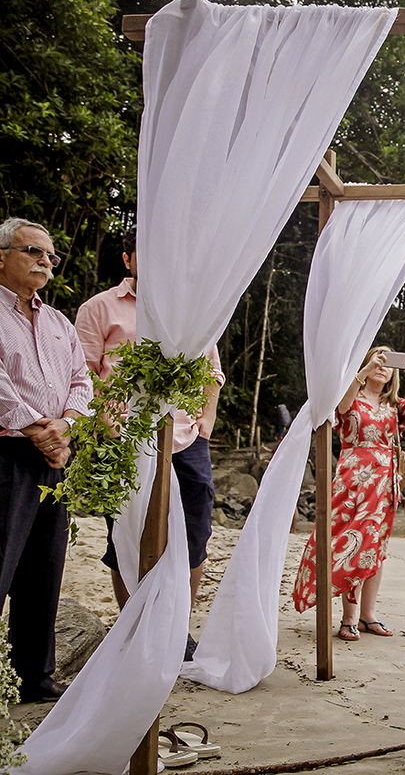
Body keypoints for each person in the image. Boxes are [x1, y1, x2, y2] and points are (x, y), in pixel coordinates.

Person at [74, 232, 224, 660]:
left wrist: (206, 422)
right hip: (123, 437)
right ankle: (133, 627)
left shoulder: (190, 311)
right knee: (125, 530)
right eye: (146, 255)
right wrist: (104, 423)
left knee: (195, 531)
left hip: (184, 437)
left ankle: (178, 627)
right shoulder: (99, 308)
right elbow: (81, 373)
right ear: (128, 258)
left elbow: (211, 372)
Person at [0, 217, 91, 702]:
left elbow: (82, 382)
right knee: (1, 563)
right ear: (2, 255)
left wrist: (67, 425)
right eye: (32, 251)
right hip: (7, 452)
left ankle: (32, 678)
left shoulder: (59, 322)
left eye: (49, 255)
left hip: (56, 455)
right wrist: (40, 428)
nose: (44, 261)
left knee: (44, 568)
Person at [291, 346, 405, 639]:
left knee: (375, 550)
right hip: (352, 480)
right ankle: (348, 617)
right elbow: (340, 408)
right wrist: (363, 372)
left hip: (384, 484)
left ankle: (367, 615)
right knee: (349, 544)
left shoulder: (393, 405)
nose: (383, 365)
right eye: (378, 358)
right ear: (366, 363)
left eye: (388, 362)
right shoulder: (351, 396)